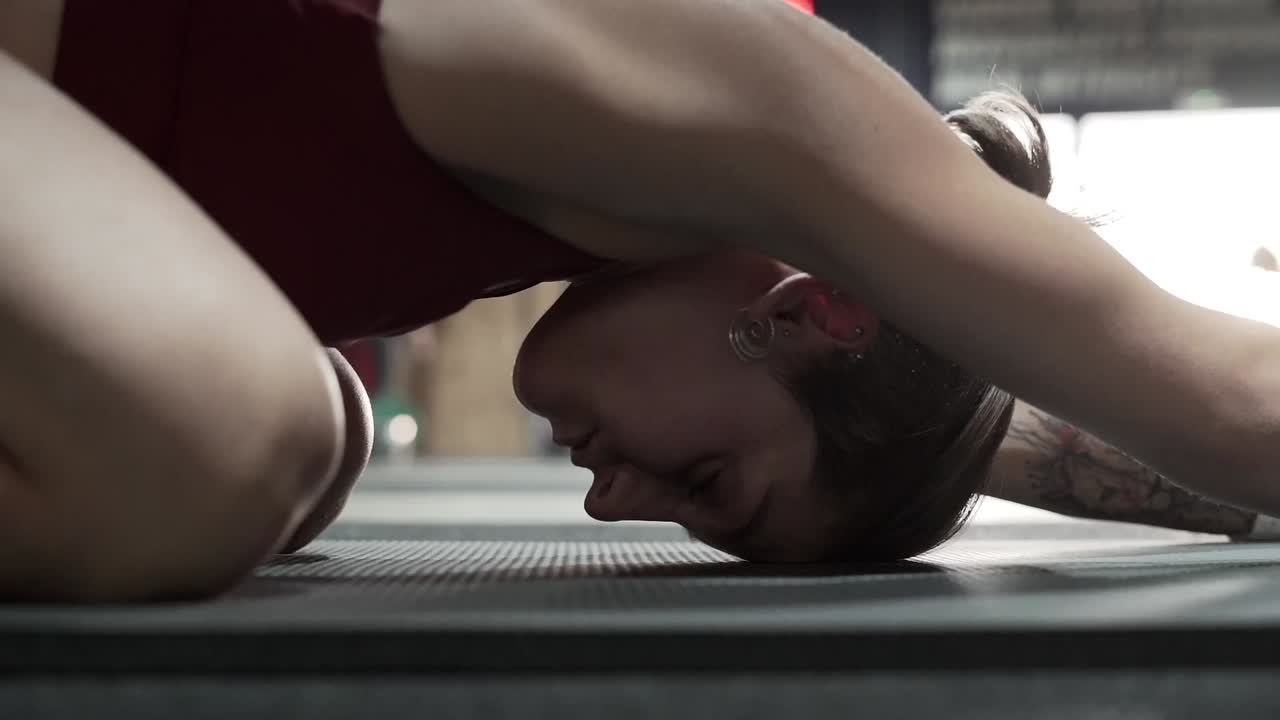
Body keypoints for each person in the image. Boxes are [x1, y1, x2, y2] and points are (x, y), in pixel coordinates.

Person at [4, 0, 1280, 602]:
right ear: (816, 309)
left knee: (316, 435)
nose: (610, 499)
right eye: (702, 485)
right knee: (222, 452)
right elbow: (1226, 397)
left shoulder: (720, 252)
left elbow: (940, 393)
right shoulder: (761, 112)